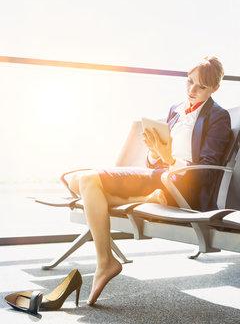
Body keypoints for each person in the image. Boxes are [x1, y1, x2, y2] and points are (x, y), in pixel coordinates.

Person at [68, 56, 231, 305]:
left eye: (201, 87)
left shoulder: (218, 117)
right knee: (76, 181)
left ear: (215, 89)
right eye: (189, 82)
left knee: (88, 181)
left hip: (184, 185)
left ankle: (105, 262)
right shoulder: (175, 111)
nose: (192, 90)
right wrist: (156, 154)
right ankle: (145, 202)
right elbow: (155, 163)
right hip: (160, 177)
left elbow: (208, 172)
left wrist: (170, 161)